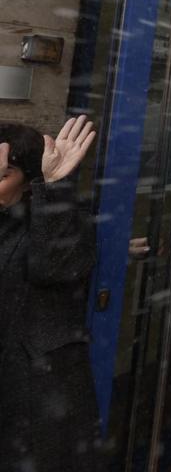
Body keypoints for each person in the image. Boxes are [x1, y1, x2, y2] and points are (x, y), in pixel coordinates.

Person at [0, 115, 98, 472]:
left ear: (28, 182)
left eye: (3, 174)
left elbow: (53, 268)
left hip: (35, 389)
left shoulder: (61, 217)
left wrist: (56, 186)